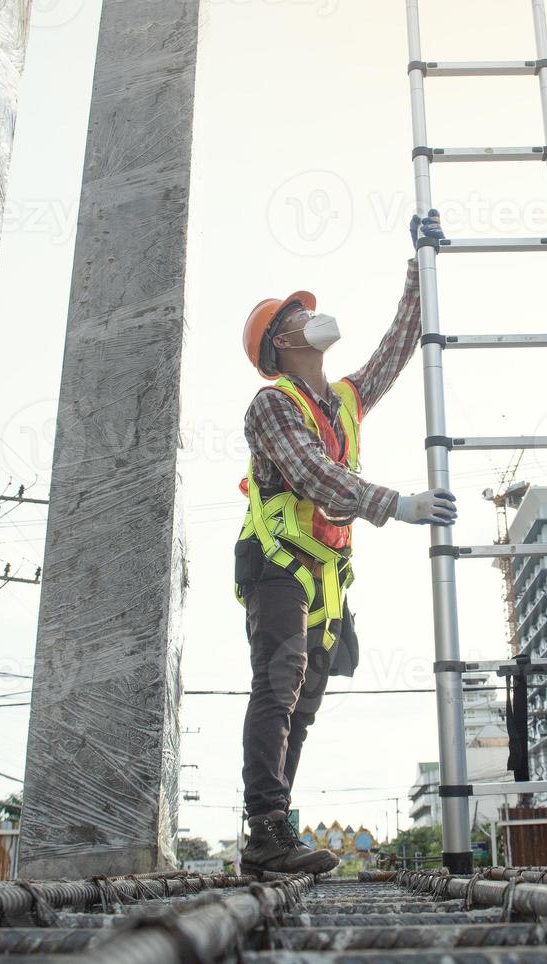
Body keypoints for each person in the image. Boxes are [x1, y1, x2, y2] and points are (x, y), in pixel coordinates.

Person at [233, 211, 458, 876]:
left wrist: (420, 266)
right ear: (282, 343)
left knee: (301, 705)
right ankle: (267, 830)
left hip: (324, 576)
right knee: (278, 685)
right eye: (298, 314)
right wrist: (400, 505)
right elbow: (317, 478)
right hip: (277, 566)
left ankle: (271, 841)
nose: (313, 313)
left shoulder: (345, 400)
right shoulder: (271, 404)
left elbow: (398, 343)